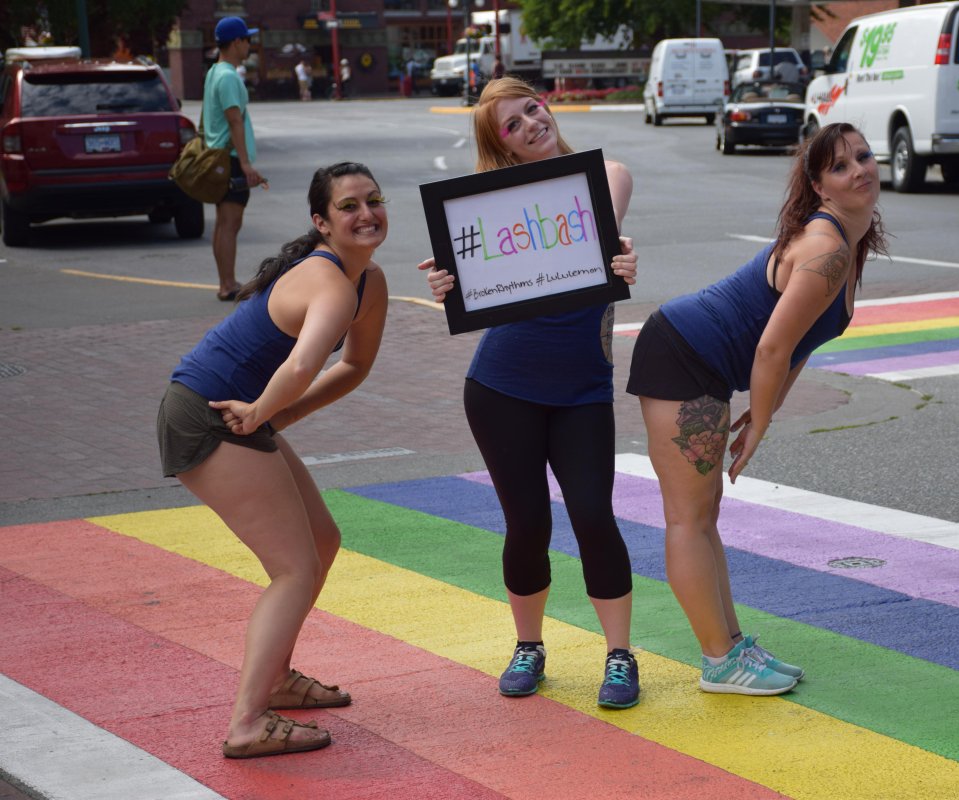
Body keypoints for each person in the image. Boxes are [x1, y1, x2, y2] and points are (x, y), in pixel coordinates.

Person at [626, 122, 886, 695]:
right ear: (819, 187)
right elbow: (770, 348)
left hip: (703, 364)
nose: (860, 171)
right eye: (840, 166)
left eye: (864, 157)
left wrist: (764, 412)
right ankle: (719, 662)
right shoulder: (826, 248)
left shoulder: (847, 243)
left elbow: (798, 345)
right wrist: (761, 422)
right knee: (688, 518)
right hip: (680, 354)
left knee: (705, 515)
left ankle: (733, 646)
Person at [420, 77, 641, 709]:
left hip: (582, 389)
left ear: (547, 105)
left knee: (593, 516)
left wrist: (622, 260)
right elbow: (481, 279)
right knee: (528, 523)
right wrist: (450, 283)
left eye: (531, 109)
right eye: (512, 126)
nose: (531, 125)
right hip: (502, 386)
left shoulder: (608, 177)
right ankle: (529, 646)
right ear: (504, 147)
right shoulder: (488, 209)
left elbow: (598, 238)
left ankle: (620, 656)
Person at [156, 162, 391, 757]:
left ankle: (278, 679)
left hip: (241, 412)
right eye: (349, 206)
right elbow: (302, 365)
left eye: (374, 200)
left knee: (322, 540)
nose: (366, 214)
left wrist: (275, 416)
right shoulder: (329, 282)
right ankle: (247, 722)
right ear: (321, 222)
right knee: (295, 568)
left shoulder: (369, 282)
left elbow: (354, 367)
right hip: (207, 412)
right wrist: (264, 411)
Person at [206, 16, 267, 302]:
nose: (249, 46)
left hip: (219, 156)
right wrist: (245, 163)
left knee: (222, 223)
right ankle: (227, 284)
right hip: (231, 158)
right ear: (236, 42)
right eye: (247, 40)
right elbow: (234, 120)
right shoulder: (229, 76)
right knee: (231, 223)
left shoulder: (214, 71)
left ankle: (225, 280)